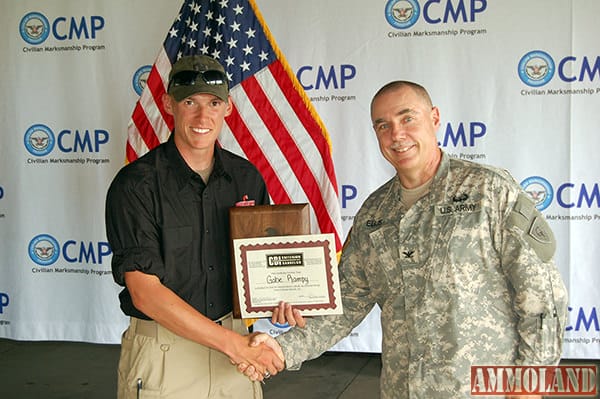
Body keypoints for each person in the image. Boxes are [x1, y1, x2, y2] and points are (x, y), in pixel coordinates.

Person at [243, 80, 568, 399]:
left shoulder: (490, 192)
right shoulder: (375, 213)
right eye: (383, 125)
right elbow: (346, 305)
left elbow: (542, 296)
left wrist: (531, 383)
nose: (396, 134)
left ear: (435, 118)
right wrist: (283, 348)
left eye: (407, 118)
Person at [105, 54, 283, 399]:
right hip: (166, 352)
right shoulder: (136, 184)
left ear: (228, 107)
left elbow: (261, 266)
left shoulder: (246, 177)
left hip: (237, 347)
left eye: (214, 103)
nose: (203, 116)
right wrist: (234, 345)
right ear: (169, 104)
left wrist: (283, 297)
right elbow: (145, 292)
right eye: (190, 102)